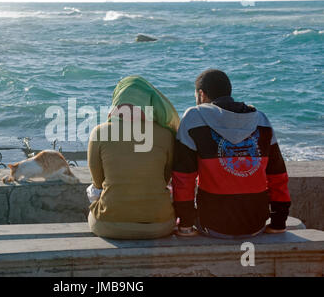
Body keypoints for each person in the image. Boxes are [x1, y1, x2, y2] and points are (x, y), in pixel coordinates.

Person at [172, 69, 291, 239]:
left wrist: (185, 224)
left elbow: (183, 177)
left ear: (201, 94)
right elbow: (278, 175)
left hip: (212, 225)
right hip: (255, 225)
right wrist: (279, 222)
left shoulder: (194, 118)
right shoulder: (260, 119)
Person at [87, 75, 180, 239]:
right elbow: (166, 179)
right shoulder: (165, 135)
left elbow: (98, 182)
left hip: (108, 226)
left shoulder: (99, 132)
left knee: (92, 192)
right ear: (148, 103)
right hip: (160, 226)